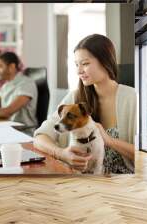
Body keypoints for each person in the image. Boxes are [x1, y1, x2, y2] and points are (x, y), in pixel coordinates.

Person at [33, 34, 136, 174]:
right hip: (82, 182)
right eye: (77, 64)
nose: (79, 71)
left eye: (85, 63)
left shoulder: (132, 98)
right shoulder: (75, 98)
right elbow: (40, 137)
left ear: (105, 61)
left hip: (122, 184)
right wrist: (62, 154)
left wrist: (110, 141)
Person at [0, 52, 38, 135]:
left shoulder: (26, 83)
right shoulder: (6, 86)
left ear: (11, 67)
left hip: (23, 132)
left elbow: (8, 111)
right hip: (7, 128)